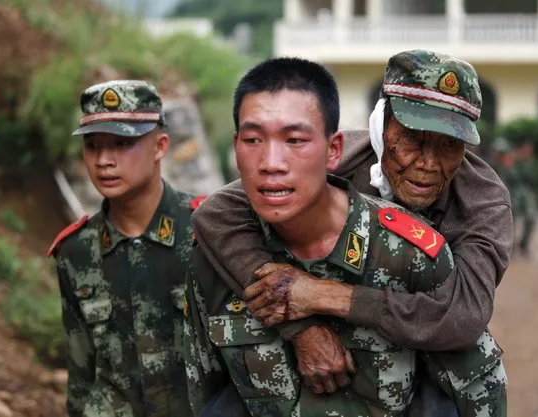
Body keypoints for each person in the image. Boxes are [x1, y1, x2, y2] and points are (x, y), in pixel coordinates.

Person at [191, 50, 512, 416]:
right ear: (383, 122)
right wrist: (298, 321)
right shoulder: (338, 157)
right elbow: (217, 213)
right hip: (333, 361)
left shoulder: (483, 202)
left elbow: (463, 317)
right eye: (412, 140)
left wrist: (325, 296)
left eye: (449, 145)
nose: (427, 163)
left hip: (426, 361)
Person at [48, 80, 200, 417]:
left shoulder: (206, 233)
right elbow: (81, 370)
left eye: (122, 143)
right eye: (92, 145)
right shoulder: (76, 252)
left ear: (160, 146)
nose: (104, 160)